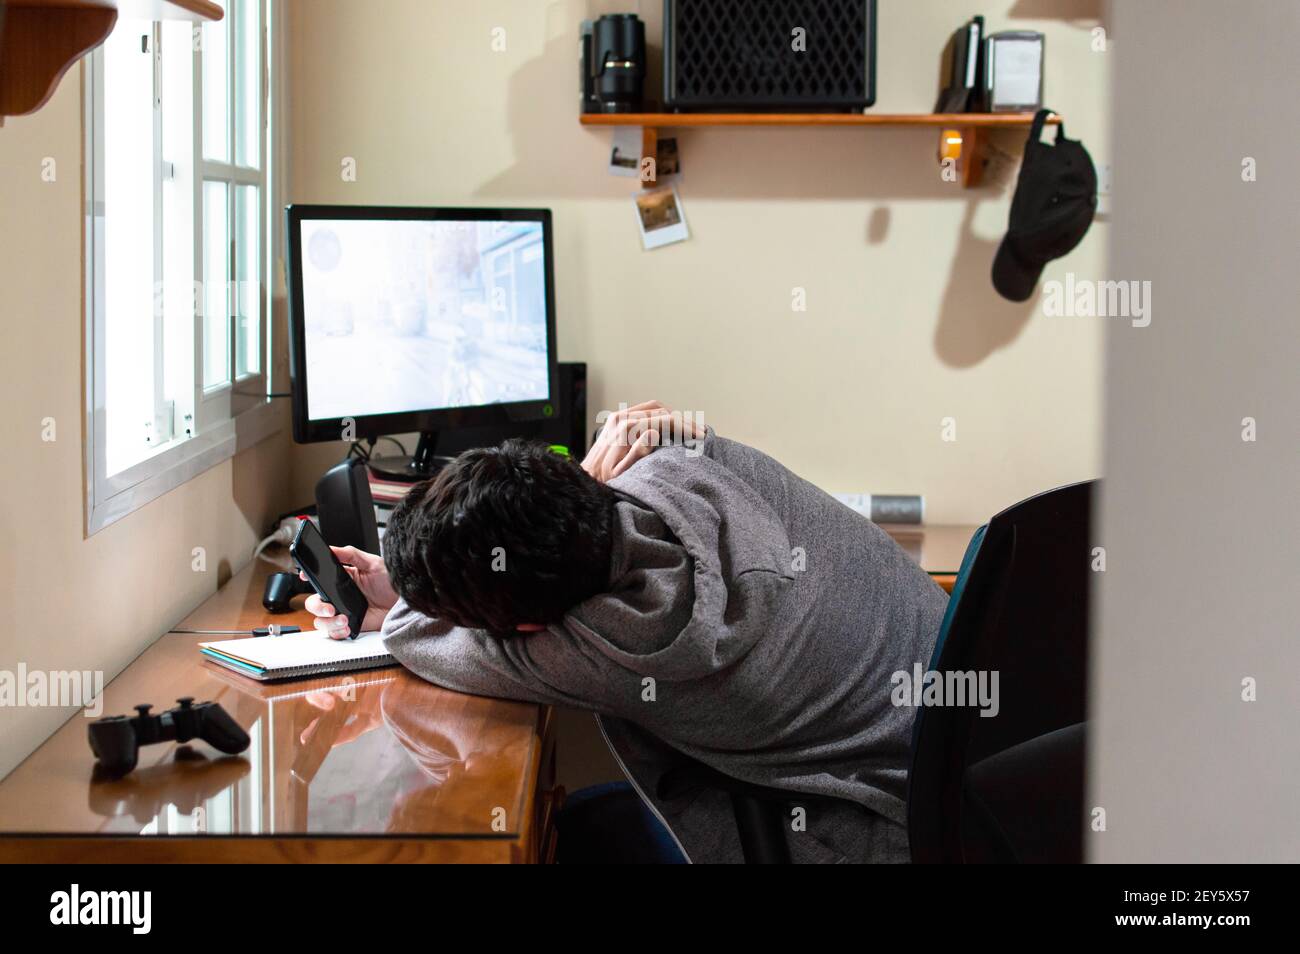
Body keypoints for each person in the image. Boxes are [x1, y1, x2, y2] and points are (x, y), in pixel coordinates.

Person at [304, 401, 948, 863]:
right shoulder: (681, 456)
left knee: (563, 834)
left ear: (530, 627)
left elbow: (415, 637)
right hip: (951, 780)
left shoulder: (610, 646)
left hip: (872, 832)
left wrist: (394, 597)